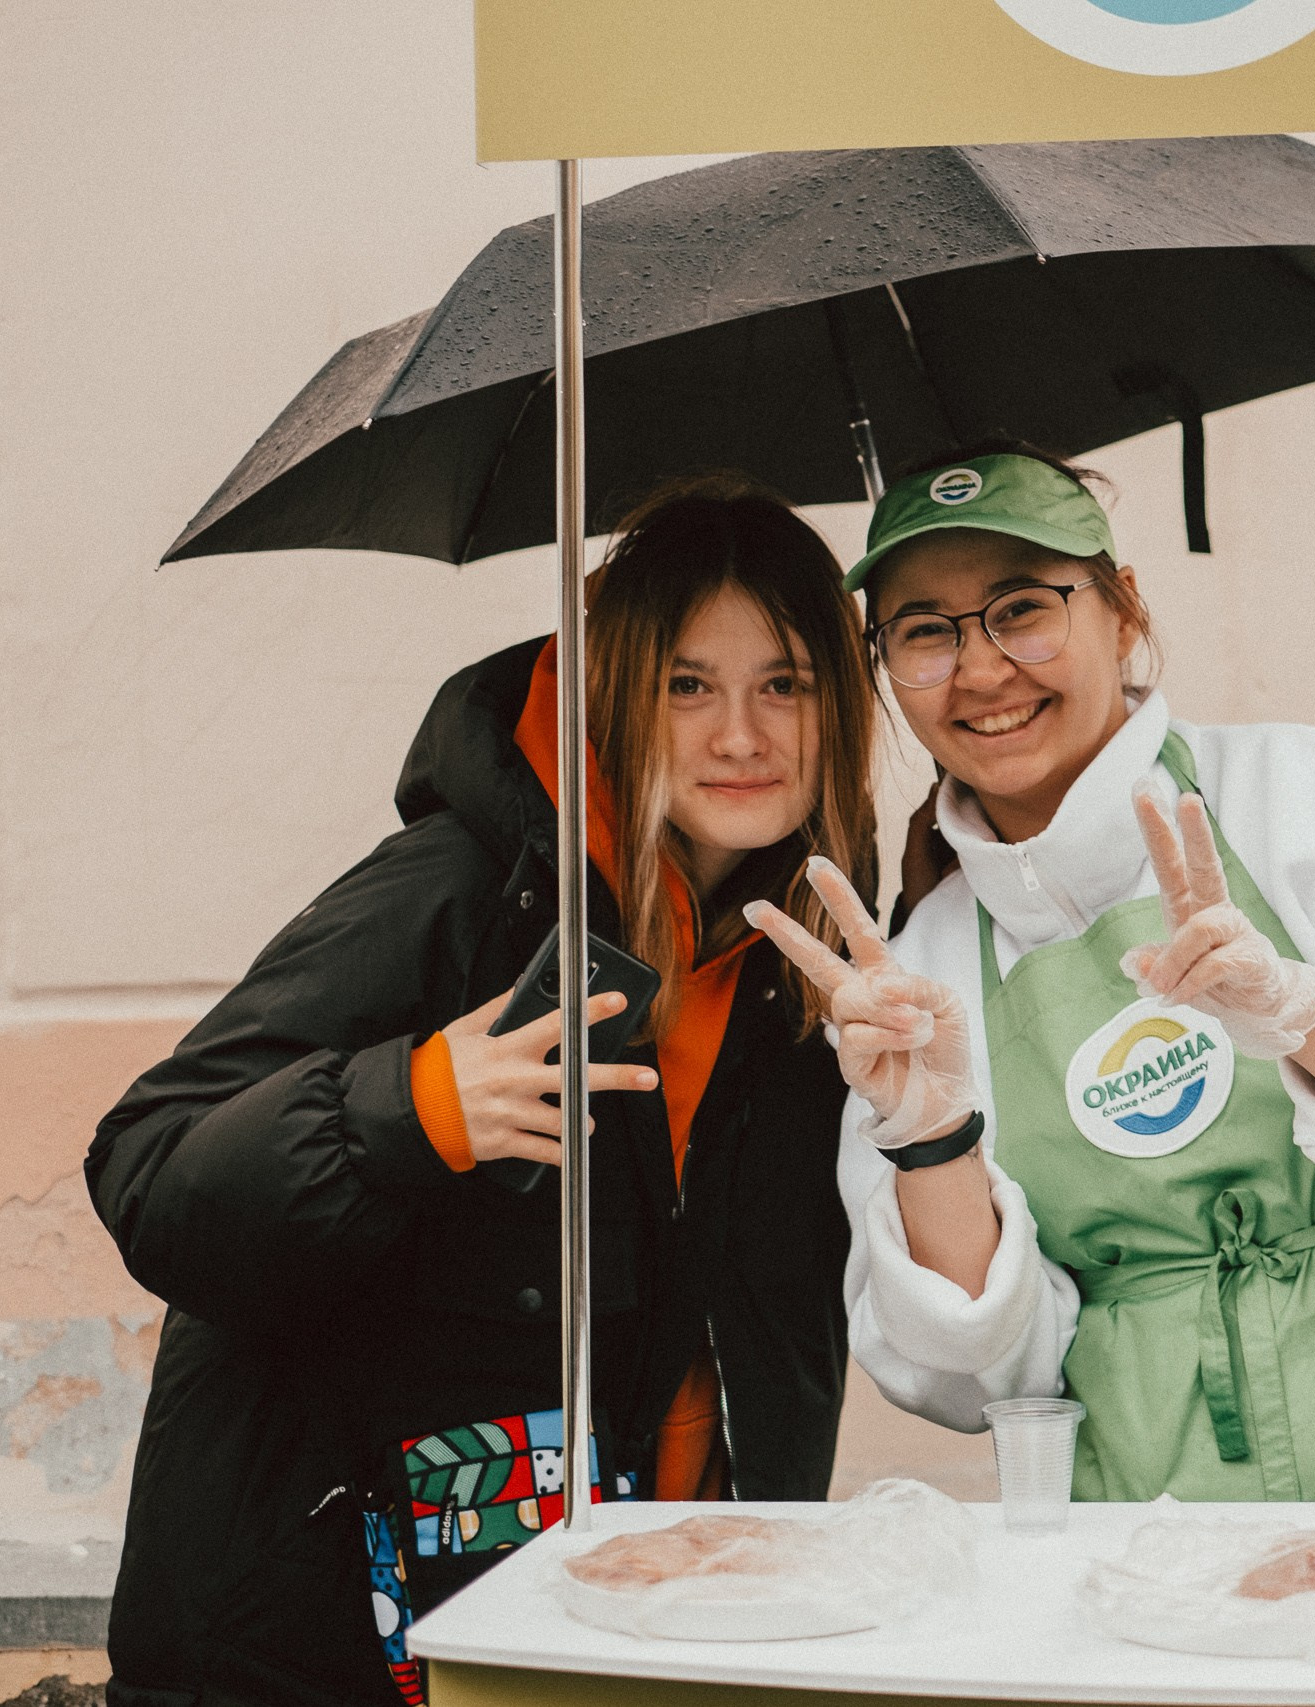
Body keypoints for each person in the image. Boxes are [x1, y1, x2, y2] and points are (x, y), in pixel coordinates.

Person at [87, 476, 879, 1707]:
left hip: (638, 1618)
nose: (742, 735)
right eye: (688, 684)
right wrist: (409, 1108)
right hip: (327, 1639)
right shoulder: (460, 891)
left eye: (785, 682)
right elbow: (150, 1169)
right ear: (615, 692)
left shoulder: (805, 968)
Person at [749, 446, 1315, 1504]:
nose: (978, 670)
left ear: (1123, 611)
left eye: (1022, 607)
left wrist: (1308, 1015)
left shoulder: (1312, 798)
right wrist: (932, 1145)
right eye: (925, 632)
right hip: (1146, 1545)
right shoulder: (915, 970)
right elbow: (962, 1384)